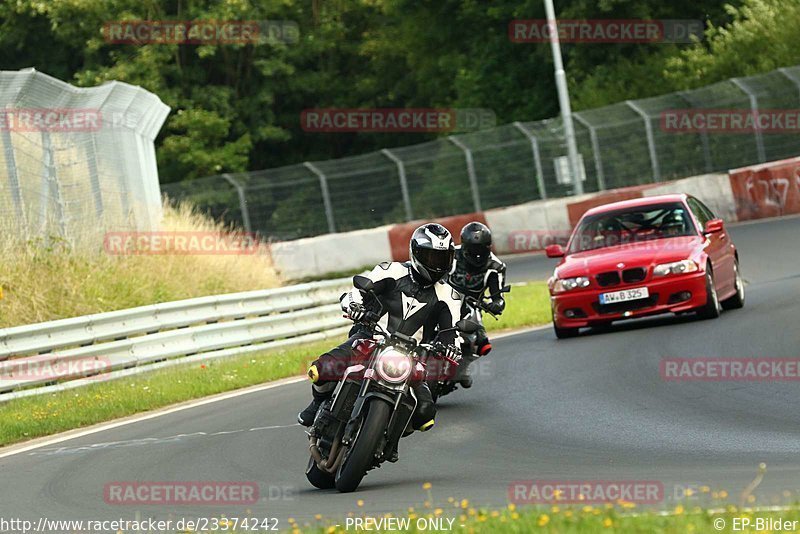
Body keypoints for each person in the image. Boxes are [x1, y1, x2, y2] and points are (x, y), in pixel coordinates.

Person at [298, 223, 463, 431]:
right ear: (416, 252)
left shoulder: (450, 296)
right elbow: (357, 293)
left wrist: (452, 349)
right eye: (431, 257)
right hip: (370, 337)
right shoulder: (391, 270)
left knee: (425, 415)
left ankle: (387, 439)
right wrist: (354, 305)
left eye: (442, 258)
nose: (437, 265)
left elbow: (452, 333)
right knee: (320, 370)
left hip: (412, 355)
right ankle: (318, 401)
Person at [447, 221, 507, 388]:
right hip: (445, 298)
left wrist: (497, 303)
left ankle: (463, 367)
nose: (477, 256)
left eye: (481, 250)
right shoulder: (451, 254)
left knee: (482, 342)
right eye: (474, 251)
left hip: (473, 305)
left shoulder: (496, 266)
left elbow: (498, 294)